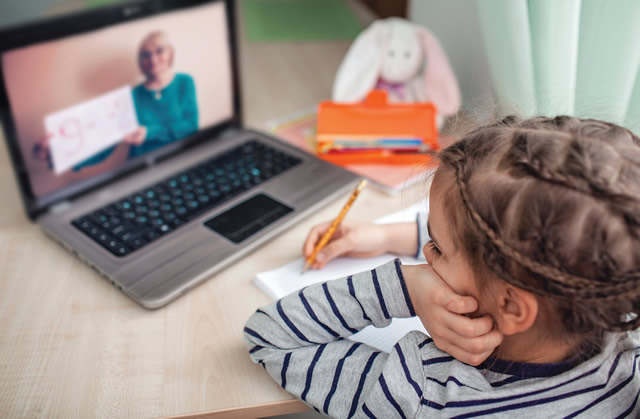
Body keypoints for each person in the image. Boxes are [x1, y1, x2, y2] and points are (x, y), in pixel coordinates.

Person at [243, 115, 640, 417]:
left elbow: (270, 336)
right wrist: (388, 237)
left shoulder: (422, 391)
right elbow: (500, 246)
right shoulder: (625, 352)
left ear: (512, 307)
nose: (426, 255)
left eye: (436, 247)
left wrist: (404, 287)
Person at [35, 31, 198, 171]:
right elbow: (105, 144)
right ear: (140, 61)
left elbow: (191, 125)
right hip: (142, 170)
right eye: (146, 55)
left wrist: (148, 133)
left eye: (159, 51)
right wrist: (61, 155)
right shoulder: (130, 96)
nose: (153, 59)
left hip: (182, 161)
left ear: (170, 53)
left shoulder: (184, 81)